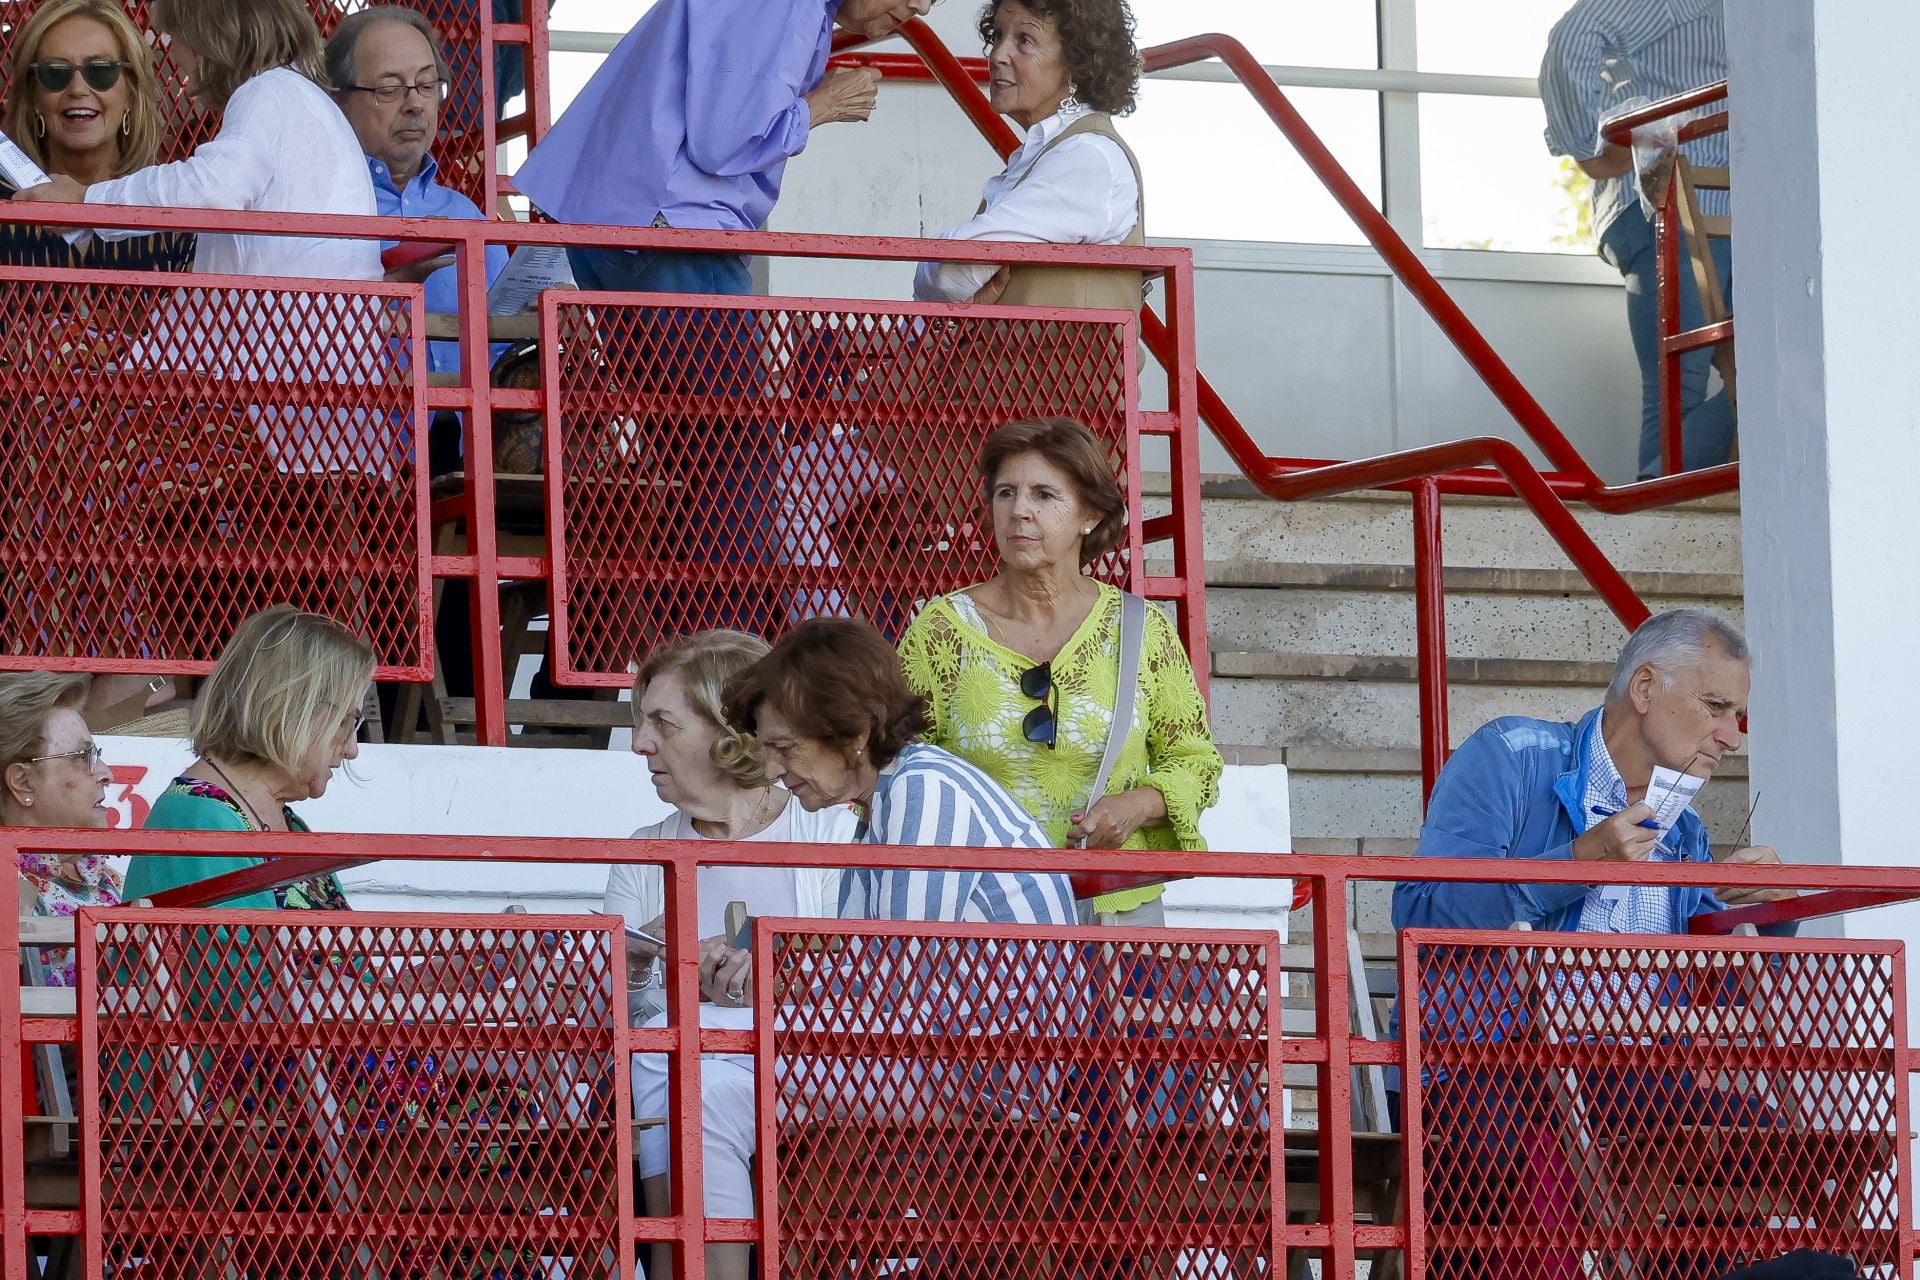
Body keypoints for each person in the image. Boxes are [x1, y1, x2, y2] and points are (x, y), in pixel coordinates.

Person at [1391, 608, 1796, 1280]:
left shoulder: (1684, 831)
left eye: (1737, 715)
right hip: (1489, 1061)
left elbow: (1719, 995)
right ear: (1645, 689)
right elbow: (1420, 913)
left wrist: (1766, 912)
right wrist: (1577, 863)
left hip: (1633, 1074)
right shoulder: (1511, 756)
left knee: (1759, 1142)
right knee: (1496, 1148)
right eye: (1716, 707)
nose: (1731, 735)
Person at [897, 417, 1220, 925]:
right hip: (977, 917)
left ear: (1090, 514)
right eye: (1006, 493)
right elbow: (894, 764)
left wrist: (1133, 806)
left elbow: (1195, 761)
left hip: (1112, 911)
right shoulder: (941, 630)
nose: (1019, 511)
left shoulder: (1140, 630)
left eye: (1044, 495)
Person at [610, 630, 858, 1280]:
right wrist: (651, 959)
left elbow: (865, 979)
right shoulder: (642, 853)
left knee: (689, 1083)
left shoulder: (829, 831)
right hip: (698, 1074)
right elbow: (618, 1016)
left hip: (812, 1069)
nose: (640, 744)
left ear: (727, 732)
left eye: (663, 724)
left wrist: (777, 976)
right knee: (676, 1077)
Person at [727, 615, 1077, 923]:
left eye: (785, 747)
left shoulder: (925, 787)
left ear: (855, 732)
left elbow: (904, 964)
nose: (771, 771)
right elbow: (875, 963)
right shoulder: (883, 800)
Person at [14, 0, 379, 282]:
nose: (173, 55)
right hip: (296, 340)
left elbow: (215, 187)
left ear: (208, 38)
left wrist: (89, 201)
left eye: (177, 38)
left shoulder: (268, 93)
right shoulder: (296, 95)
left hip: (284, 346)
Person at [1541, 0, 1732, 479]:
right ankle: (1657, 502)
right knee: (1677, 385)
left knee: (1790, 365)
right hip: (1668, 201)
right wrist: (1588, 147)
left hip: (1744, 214)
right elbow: (1573, 39)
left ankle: (1659, 493)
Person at [323, 5, 509, 473]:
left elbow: (508, 343)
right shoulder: (316, 207)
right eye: (389, 89)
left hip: (470, 454)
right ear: (338, 101)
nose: (415, 105)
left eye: (427, 86)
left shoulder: (468, 216)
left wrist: (547, 315)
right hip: (348, 454)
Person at [124, 605, 373, 910]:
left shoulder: (278, 817)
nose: (351, 749)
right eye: (347, 721)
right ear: (294, 711)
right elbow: (246, 943)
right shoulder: (202, 820)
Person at [914, 0, 1145, 310]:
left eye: (1024, 40)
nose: (997, 55)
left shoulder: (1087, 157)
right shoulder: (1046, 152)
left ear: (1077, 62)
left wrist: (931, 268)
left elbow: (951, 272)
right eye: (998, 35)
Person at [0, 0, 193, 272]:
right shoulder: (5, 210)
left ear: (131, 94)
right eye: (55, 72)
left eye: (101, 70)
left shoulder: (170, 211)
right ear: (34, 97)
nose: (78, 89)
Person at [2, 672, 119, 988]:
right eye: (82, 757)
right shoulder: (7, 892)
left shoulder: (108, 877)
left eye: (96, 756)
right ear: (23, 782)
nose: (107, 774)